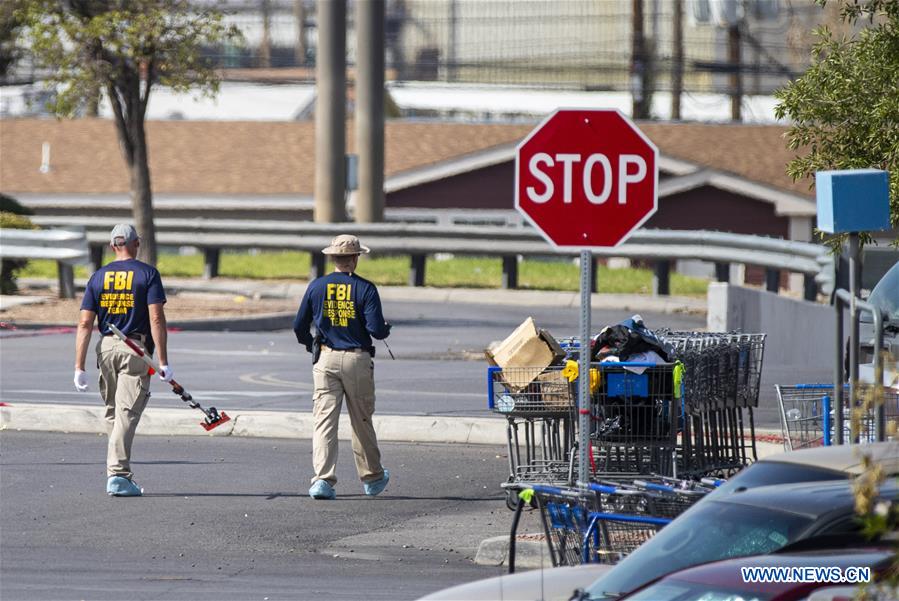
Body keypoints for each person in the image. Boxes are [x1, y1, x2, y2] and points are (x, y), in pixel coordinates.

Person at [74, 224, 172, 497]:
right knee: (127, 412)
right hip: (135, 349)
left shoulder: (98, 277)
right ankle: (117, 474)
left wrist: (79, 367)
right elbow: (156, 318)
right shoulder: (147, 274)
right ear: (136, 243)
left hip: (106, 348)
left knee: (112, 412)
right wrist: (162, 360)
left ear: (112, 246)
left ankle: (118, 470)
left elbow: (84, 323)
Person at [293, 234, 391, 500]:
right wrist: (385, 330)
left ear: (334, 258)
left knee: (324, 421)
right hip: (357, 359)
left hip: (325, 358)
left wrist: (309, 344)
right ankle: (372, 477)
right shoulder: (366, 289)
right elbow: (375, 329)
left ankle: (322, 480)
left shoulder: (317, 287)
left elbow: (299, 325)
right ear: (356, 258)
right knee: (361, 420)